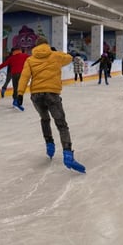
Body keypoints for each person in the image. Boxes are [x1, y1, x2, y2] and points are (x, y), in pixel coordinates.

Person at [17, 37, 85, 173]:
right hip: (52, 94)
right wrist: (55, 51)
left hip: (36, 95)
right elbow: (69, 58)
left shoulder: (30, 59)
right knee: (61, 124)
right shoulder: (56, 55)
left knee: (45, 119)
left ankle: (49, 145)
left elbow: (24, 76)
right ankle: (67, 154)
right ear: (47, 45)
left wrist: (19, 93)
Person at [0, 46, 29, 111]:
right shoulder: (25, 56)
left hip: (14, 74)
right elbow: (34, 60)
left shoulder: (11, 58)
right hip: (22, 74)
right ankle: (19, 103)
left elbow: (3, 64)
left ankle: (15, 101)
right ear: (20, 50)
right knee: (20, 88)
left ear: (13, 52)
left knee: (15, 88)